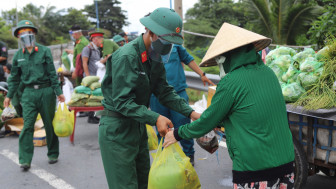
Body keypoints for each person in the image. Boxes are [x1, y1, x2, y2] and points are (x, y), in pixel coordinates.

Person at [163, 23, 295, 189]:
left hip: (255, 168)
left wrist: (177, 133)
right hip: (286, 163)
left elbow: (207, 122)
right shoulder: (268, 73)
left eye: (220, 58)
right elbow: (250, 112)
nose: (219, 62)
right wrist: (222, 122)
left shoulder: (230, 82)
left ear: (229, 56)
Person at [99, 7, 201, 189]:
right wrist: (156, 117)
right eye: (165, 40)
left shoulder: (155, 56)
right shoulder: (127, 57)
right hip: (117, 129)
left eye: (171, 42)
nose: (168, 45)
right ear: (150, 32)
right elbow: (122, 102)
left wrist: (192, 113)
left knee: (145, 183)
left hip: (137, 126)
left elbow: (164, 91)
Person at [3, 20, 65, 171]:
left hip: (46, 92)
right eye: (22, 33)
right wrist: (9, 96)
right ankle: (25, 159)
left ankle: (53, 154)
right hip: (29, 93)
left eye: (29, 32)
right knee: (28, 126)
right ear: (19, 37)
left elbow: (52, 73)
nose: (26, 35)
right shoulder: (18, 56)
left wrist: (59, 92)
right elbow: (15, 78)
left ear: (34, 34)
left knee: (49, 124)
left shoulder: (44, 51)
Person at [150, 44, 214, 165]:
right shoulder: (148, 47)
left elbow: (188, 59)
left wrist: (202, 75)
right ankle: (165, 157)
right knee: (161, 127)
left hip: (178, 92)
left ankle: (189, 154)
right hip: (156, 95)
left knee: (182, 125)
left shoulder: (175, 45)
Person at [82, 31, 109, 124]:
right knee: (90, 97)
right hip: (90, 77)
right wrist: (88, 77)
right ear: (95, 39)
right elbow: (84, 63)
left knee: (94, 97)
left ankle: (93, 115)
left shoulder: (96, 49)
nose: (101, 41)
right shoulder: (87, 49)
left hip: (96, 77)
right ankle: (90, 117)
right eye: (100, 39)